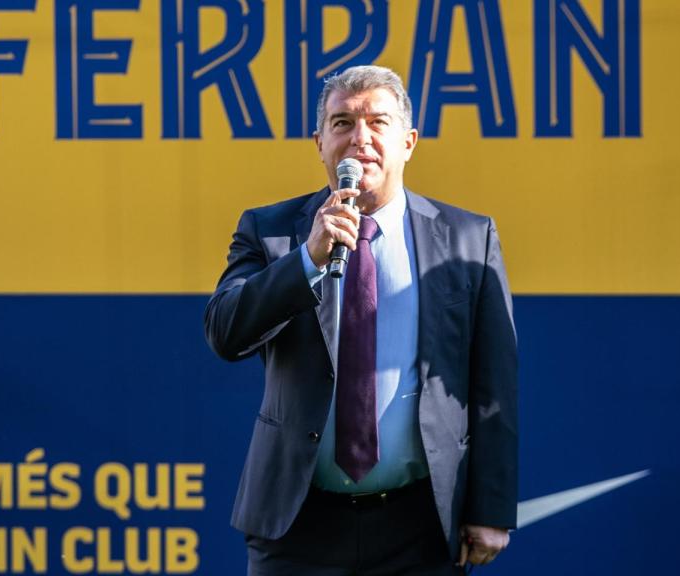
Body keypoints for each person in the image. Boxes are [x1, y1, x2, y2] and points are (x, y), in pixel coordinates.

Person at [205, 65, 517, 575]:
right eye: (343, 122)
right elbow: (225, 332)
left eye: (378, 122)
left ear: (409, 141)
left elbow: (494, 385)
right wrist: (307, 258)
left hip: (421, 524)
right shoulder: (271, 231)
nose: (361, 138)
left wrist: (492, 507)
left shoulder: (468, 238)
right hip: (298, 523)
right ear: (319, 142)